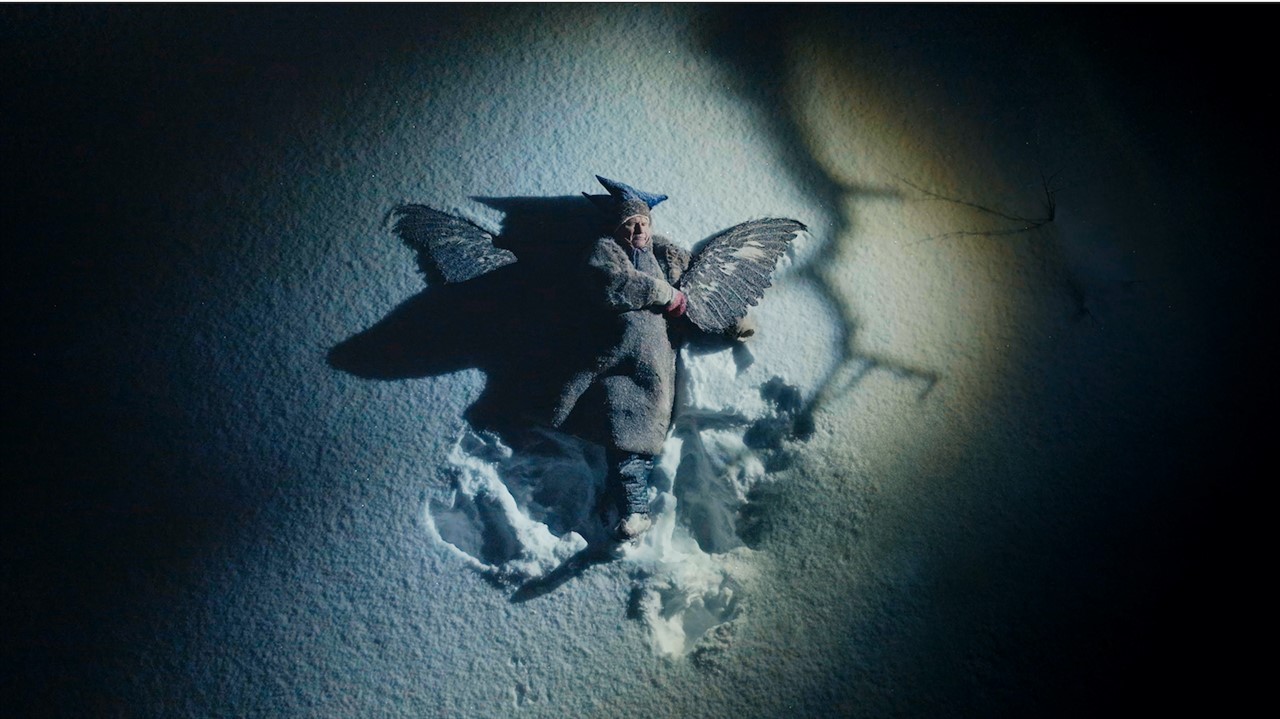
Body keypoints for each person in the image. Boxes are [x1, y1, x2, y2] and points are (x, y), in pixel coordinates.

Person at [550, 176, 690, 541]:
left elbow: (694, 293)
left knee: (634, 440)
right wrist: (665, 294)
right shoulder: (604, 252)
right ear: (617, 227)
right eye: (630, 223)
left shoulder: (664, 255)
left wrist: (728, 320)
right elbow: (614, 284)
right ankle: (635, 511)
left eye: (643, 222)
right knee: (626, 435)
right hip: (617, 360)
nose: (639, 229)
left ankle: (622, 505)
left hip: (656, 364)